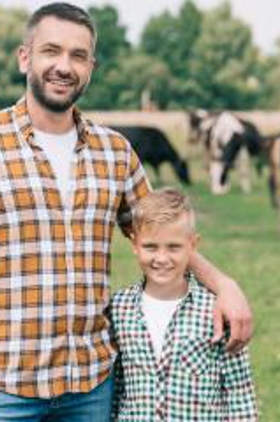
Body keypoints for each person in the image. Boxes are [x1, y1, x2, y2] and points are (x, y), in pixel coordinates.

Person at [0, 2, 252, 420]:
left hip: (91, 386)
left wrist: (223, 284)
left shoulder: (114, 152)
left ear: (91, 67)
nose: (64, 66)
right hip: (7, 387)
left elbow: (163, 235)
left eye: (78, 56)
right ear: (25, 57)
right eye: (51, 51)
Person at [111, 188, 258, 420]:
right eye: (150, 247)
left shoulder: (215, 311)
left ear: (192, 245)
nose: (161, 258)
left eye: (174, 247)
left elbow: (239, 393)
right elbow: (117, 389)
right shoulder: (119, 309)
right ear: (134, 244)